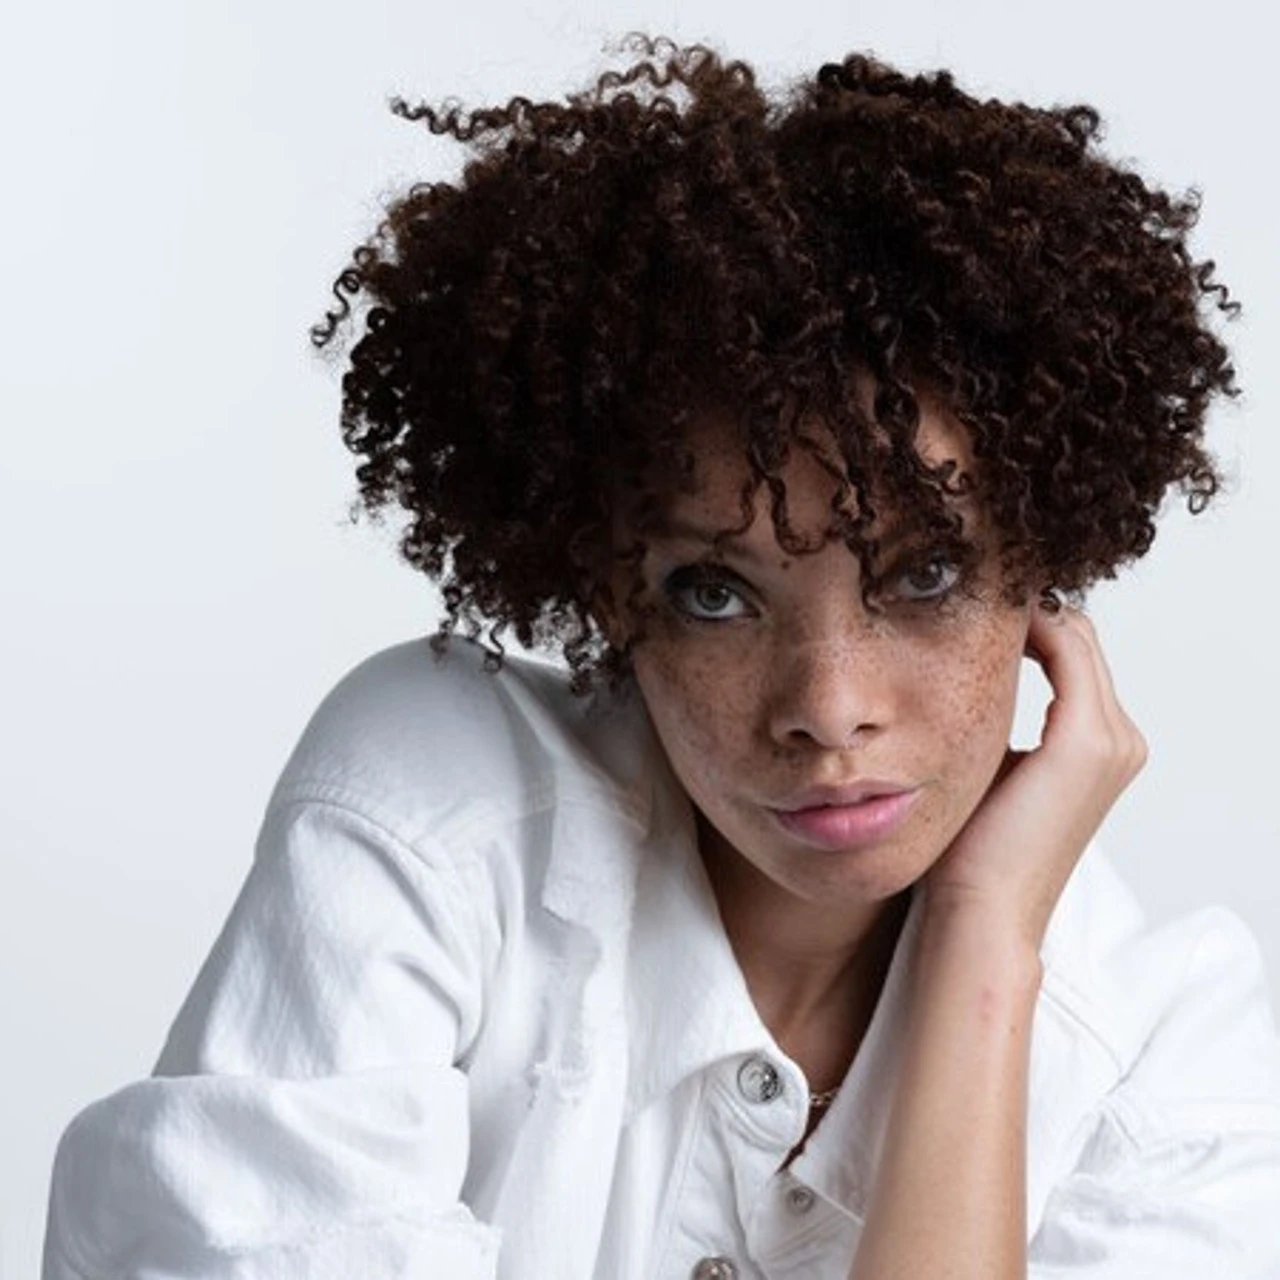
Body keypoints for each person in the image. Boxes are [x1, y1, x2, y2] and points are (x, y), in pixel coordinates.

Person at [42, 36, 1280, 1280]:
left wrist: (983, 948)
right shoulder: (441, 815)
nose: (827, 706)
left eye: (921, 575)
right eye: (714, 593)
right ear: (607, 589)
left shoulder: (1164, 1056)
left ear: (1042, 568)